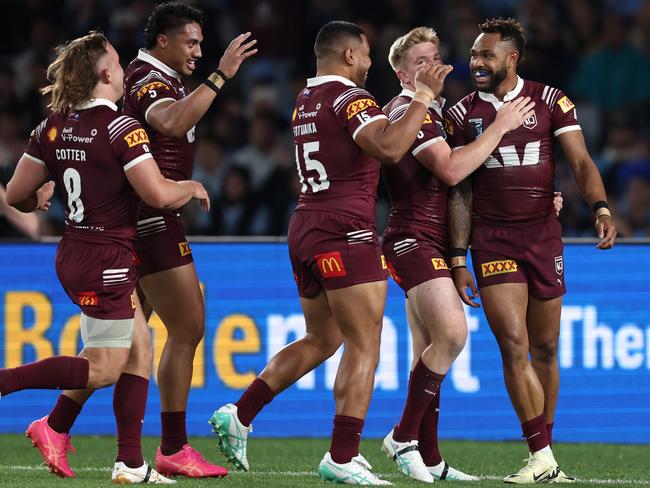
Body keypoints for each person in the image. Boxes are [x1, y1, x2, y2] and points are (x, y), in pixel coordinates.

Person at [209, 20, 451, 485]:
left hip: (305, 226)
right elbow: (388, 147)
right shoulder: (350, 98)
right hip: (346, 231)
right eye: (364, 54)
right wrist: (421, 97)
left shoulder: (305, 99)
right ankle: (342, 456)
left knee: (323, 339)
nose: (368, 64)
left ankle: (240, 413)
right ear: (347, 56)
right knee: (364, 344)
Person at [25, 2, 256, 479]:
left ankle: (59, 426)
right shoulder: (146, 78)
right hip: (151, 215)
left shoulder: (162, 77)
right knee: (187, 326)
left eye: (200, 42)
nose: (198, 49)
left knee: (123, 348)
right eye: (190, 42)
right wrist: (220, 76)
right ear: (163, 41)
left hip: (135, 219)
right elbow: (170, 122)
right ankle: (169, 446)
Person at [2, 30, 210, 483]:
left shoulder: (52, 125)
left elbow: (15, 195)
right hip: (107, 259)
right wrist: (189, 188)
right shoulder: (121, 127)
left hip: (72, 251)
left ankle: (130, 463)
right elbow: (157, 193)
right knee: (104, 368)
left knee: (140, 349)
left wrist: (37, 198)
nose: (123, 69)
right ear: (104, 74)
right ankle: (8, 384)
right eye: (117, 61)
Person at [445, 18, 617, 484]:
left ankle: (547, 458)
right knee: (514, 344)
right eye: (474, 55)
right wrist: (459, 257)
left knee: (545, 348)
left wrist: (599, 206)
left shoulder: (550, 101)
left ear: (512, 58)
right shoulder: (461, 113)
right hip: (492, 239)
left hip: (543, 237)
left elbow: (580, 161)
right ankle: (538, 452)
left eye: (486, 56)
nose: (476, 63)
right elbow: (457, 188)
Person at [379, 26, 536, 483]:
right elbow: (450, 171)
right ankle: (403, 436)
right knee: (452, 336)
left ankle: (429, 457)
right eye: (424, 61)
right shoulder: (414, 109)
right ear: (403, 72)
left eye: (438, 57)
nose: (438, 66)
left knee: (426, 350)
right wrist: (503, 125)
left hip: (427, 239)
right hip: (413, 237)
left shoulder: (428, 109)